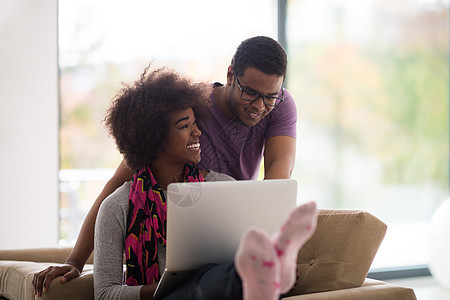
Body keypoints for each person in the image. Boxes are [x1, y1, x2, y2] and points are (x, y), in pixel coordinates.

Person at [32, 36, 298, 295]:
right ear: (231, 75)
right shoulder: (188, 108)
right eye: (250, 93)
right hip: (174, 227)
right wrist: (75, 261)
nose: (260, 106)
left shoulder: (280, 106)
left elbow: (278, 176)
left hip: (225, 220)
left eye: (271, 96)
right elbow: (118, 188)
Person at [91, 66, 316, 299]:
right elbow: (105, 294)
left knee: (221, 275)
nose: (198, 132)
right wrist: (162, 289)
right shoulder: (117, 207)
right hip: (166, 297)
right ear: (154, 139)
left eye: (195, 123)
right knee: (216, 278)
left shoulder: (223, 188)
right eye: (184, 126)